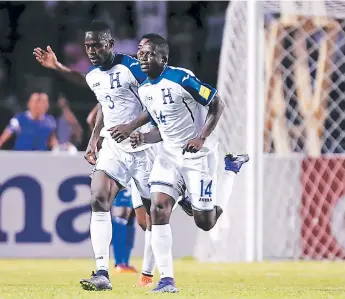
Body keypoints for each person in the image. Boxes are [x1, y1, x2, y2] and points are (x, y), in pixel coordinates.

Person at [33, 21, 191, 291]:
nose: (91, 50)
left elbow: (156, 98)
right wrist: (95, 139)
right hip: (115, 148)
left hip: (145, 147)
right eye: (87, 46)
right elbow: (103, 102)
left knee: (153, 216)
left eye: (96, 45)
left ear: (110, 44)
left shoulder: (131, 67)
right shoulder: (95, 75)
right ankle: (102, 272)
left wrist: (134, 127)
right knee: (98, 196)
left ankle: (165, 277)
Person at [128, 36, 249, 292]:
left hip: (199, 157)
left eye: (149, 54)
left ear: (163, 58)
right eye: (140, 53)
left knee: (205, 222)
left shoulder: (182, 79)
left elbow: (217, 103)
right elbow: (162, 129)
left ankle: (230, 170)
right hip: (168, 156)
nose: (143, 58)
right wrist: (143, 136)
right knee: (158, 209)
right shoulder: (144, 90)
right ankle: (167, 280)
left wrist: (200, 137)